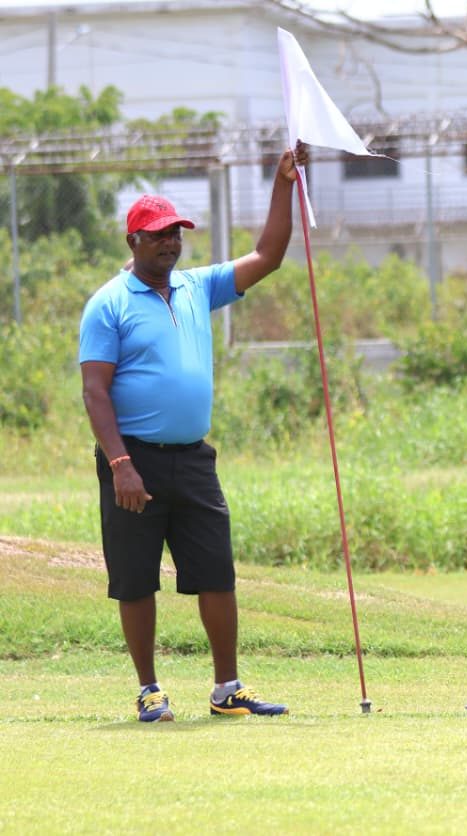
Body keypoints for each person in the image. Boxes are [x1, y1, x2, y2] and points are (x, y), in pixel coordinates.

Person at [78, 142, 309, 722]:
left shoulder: (196, 286)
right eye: (159, 234)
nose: (172, 242)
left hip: (193, 459)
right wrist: (119, 464)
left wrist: (282, 183)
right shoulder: (108, 304)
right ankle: (149, 689)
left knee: (216, 571)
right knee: (135, 579)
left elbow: (269, 255)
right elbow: (94, 390)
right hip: (134, 463)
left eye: (176, 232)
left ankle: (227, 687)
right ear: (133, 241)